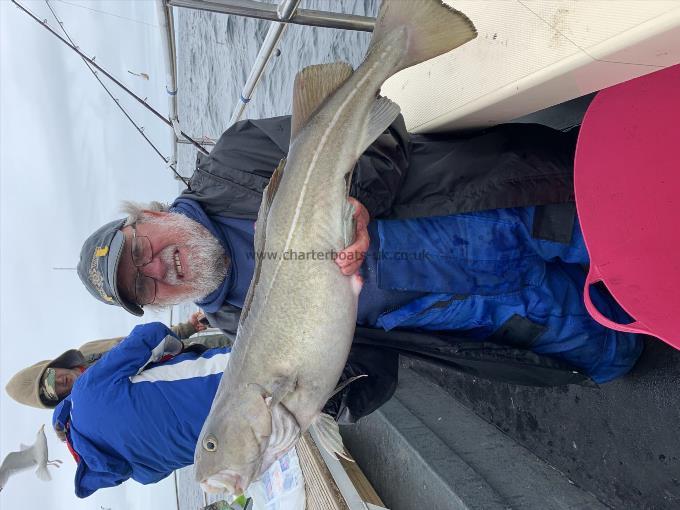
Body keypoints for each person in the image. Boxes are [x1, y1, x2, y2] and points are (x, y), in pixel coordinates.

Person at [76, 115, 643, 412]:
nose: (156, 267)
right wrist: (326, 394)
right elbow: (365, 376)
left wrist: (361, 200)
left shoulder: (236, 159)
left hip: (497, 211)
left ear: (146, 215)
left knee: (642, 238)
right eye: (142, 284)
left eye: (140, 250)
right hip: (482, 317)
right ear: (157, 303)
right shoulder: (236, 331)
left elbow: (375, 126)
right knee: (618, 352)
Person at [51, 322, 229, 497]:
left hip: (239, 438)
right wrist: (180, 350)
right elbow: (153, 334)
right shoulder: (84, 393)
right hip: (227, 378)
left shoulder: (143, 475)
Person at [5, 312, 214, 410]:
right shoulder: (88, 407)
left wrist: (187, 328)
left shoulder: (89, 351)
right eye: (51, 390)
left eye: (50, 376)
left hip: (192, 353)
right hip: (190, 390)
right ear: (55, 399)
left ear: (53, 365)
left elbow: (136, 343)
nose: (59, 382)